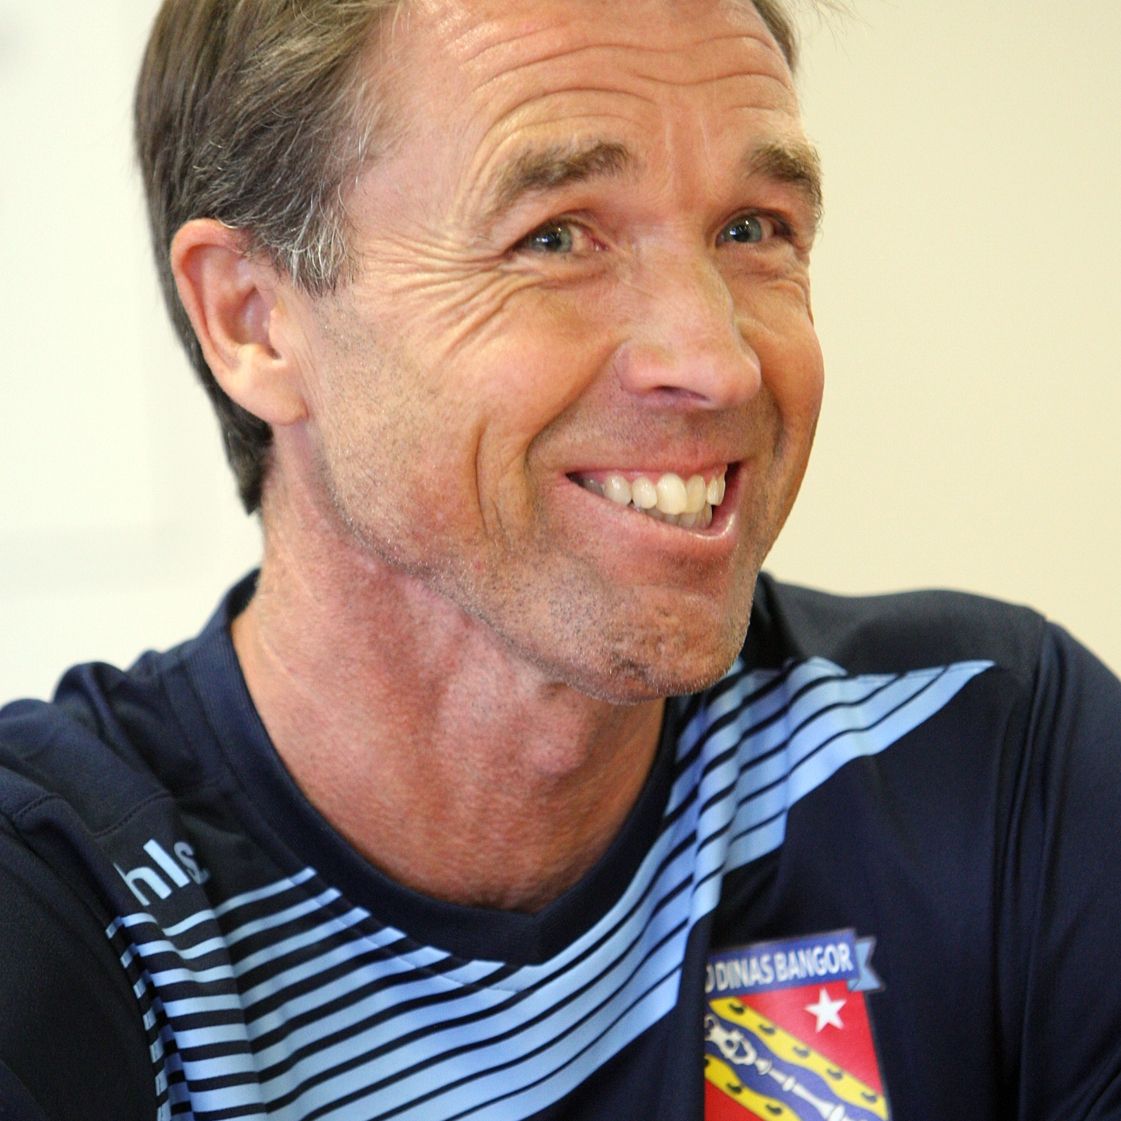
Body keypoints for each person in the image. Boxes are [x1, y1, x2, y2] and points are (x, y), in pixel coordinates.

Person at [1, 0, 1119, 1118]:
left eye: (751, 228)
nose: (718, 362)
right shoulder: (58, 896)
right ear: (252, 317)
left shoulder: (986, 751)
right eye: (555, 237)